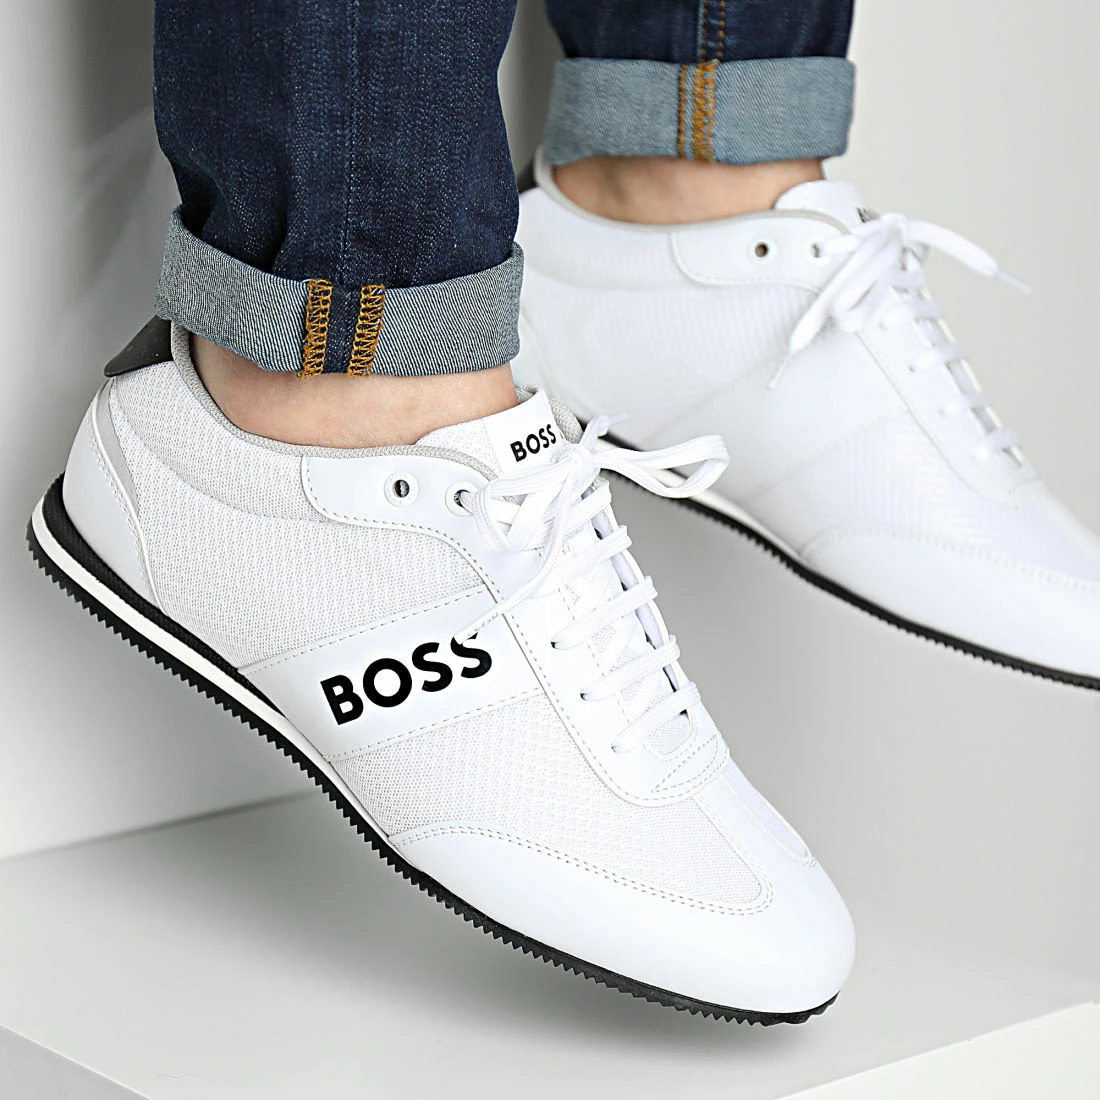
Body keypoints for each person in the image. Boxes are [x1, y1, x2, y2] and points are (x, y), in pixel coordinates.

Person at [25, 0, 1098, 1026]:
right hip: (328, 336)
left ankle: (700, 167)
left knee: (708, 133)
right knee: (360, 322)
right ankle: (346, 386)